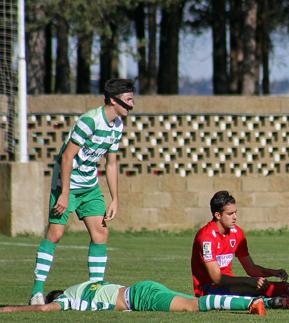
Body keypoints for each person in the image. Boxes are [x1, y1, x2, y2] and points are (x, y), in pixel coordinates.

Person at [29, 79, 135, 305]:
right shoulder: (90, 121)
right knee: (55, 234)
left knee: (101, 234)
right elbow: (67, 156)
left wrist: (115, 198)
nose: (132, 105)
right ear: (113, 101)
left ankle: (95, 291)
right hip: (66, 184)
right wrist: (65, 194)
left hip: (90, 186)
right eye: (128, 100)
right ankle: (37, 292)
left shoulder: (117, 126)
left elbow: (112, 164)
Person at [191, 191, 289, 304]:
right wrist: (249, 281)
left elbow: (251, 269)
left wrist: (273, 272)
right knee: (257, 289)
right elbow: (217, 278)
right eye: (230, 214)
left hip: (230, 286)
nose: (235, 217)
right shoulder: (206, 238)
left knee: (274, 287)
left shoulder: (237, 233)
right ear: (217, 215)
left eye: (235, 212)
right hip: (208, 290)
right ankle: (271, 302)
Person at [1, 280, 271, 316]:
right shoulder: (84, 286)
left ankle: (250, 303)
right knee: (193, 300)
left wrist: (8, 310)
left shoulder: (70, 297)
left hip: (138, 298)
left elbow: (45, 309)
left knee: (193, 306)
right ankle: (271, 301)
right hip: (142, 287)